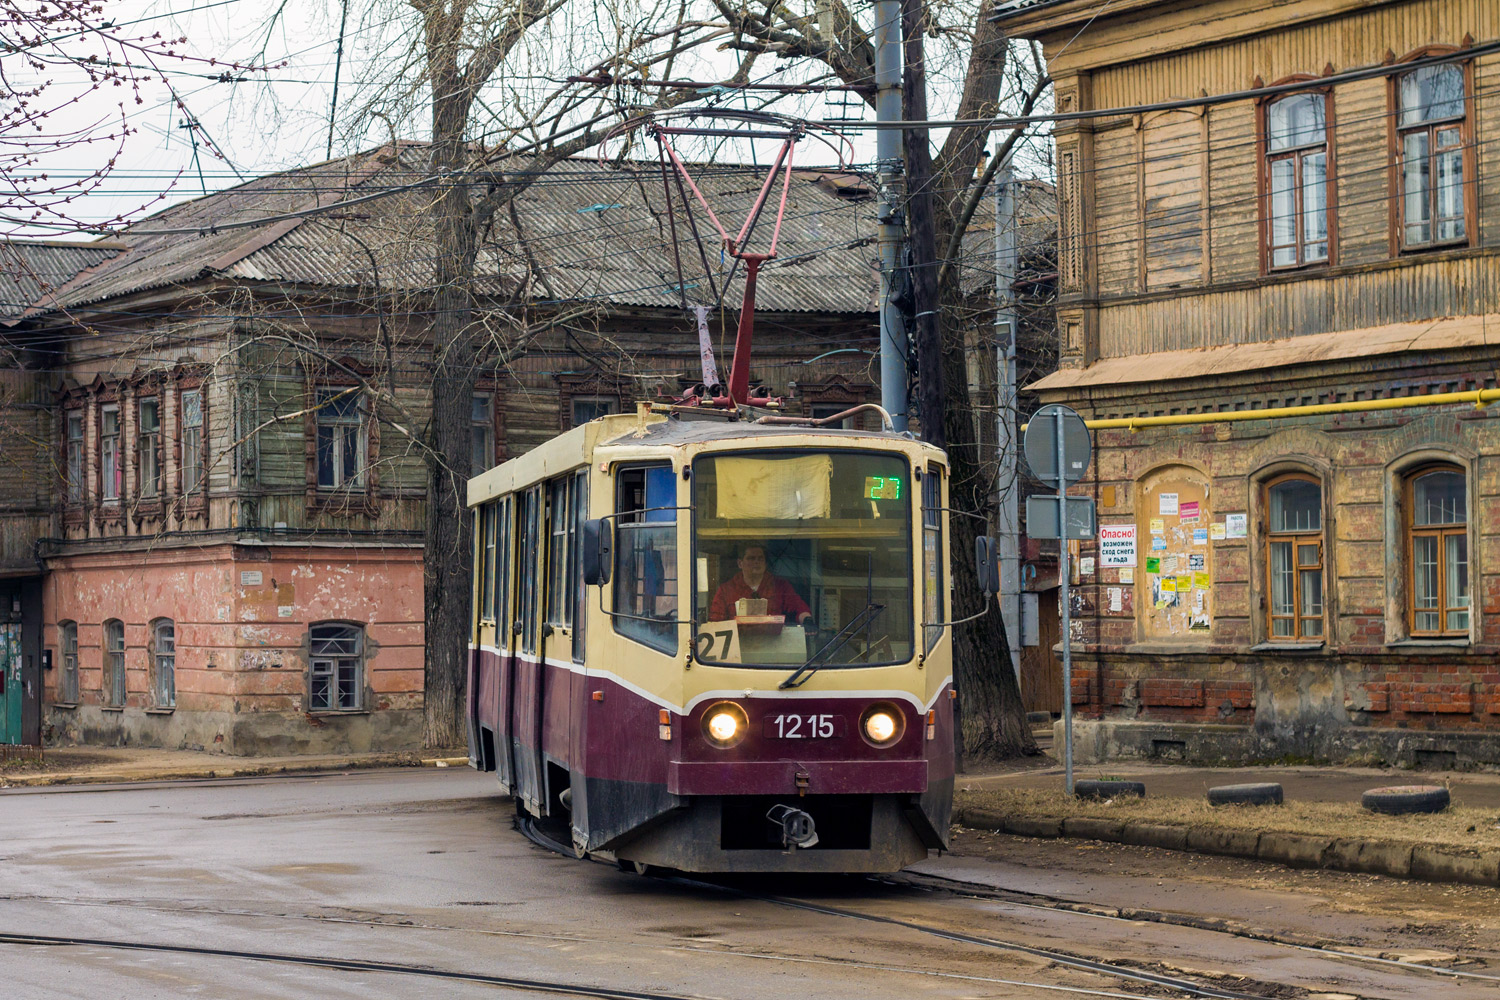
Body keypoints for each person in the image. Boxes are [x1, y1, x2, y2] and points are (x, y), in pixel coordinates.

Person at [708, 543, 814, 627]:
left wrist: (807, 620)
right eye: (751, 558)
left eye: (760, 558)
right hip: (739, 647)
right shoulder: (726, 590)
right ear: (740, 563)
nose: (756, 562)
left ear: (765, 563)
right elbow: (715, 622)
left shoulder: (780, 586)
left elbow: (798, 607)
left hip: (773, 646)